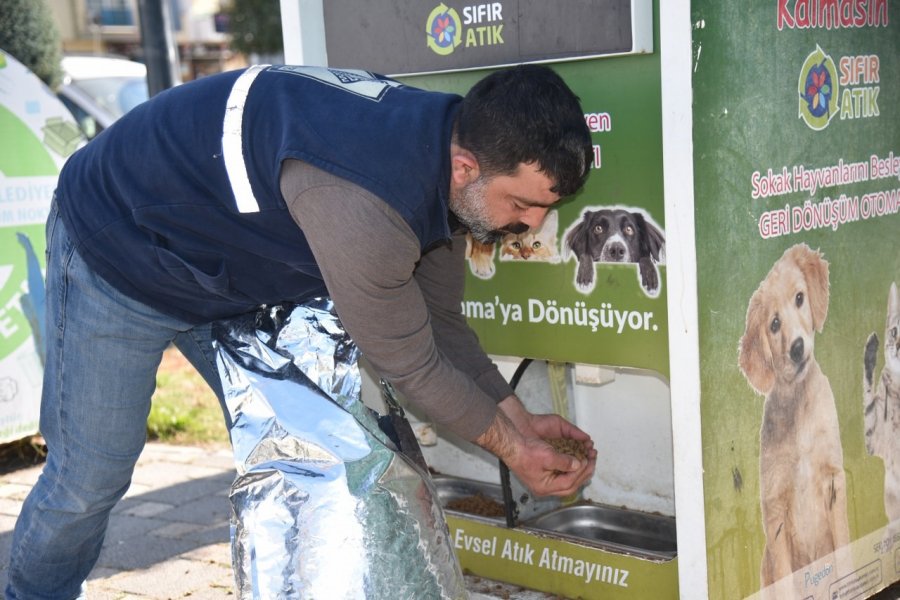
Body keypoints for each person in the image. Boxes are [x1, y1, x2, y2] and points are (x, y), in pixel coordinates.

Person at [6, 63, 597, 598]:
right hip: (120, 254)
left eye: (546, 209)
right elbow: (413, 366)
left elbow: (442, 326)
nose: (532, 225)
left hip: (224, 270)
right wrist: (516, 450)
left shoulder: (450, 163)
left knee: (335, 449)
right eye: (523, 204)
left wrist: (519, 416)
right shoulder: (365, 200)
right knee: (91, 477)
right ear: (466, 167)